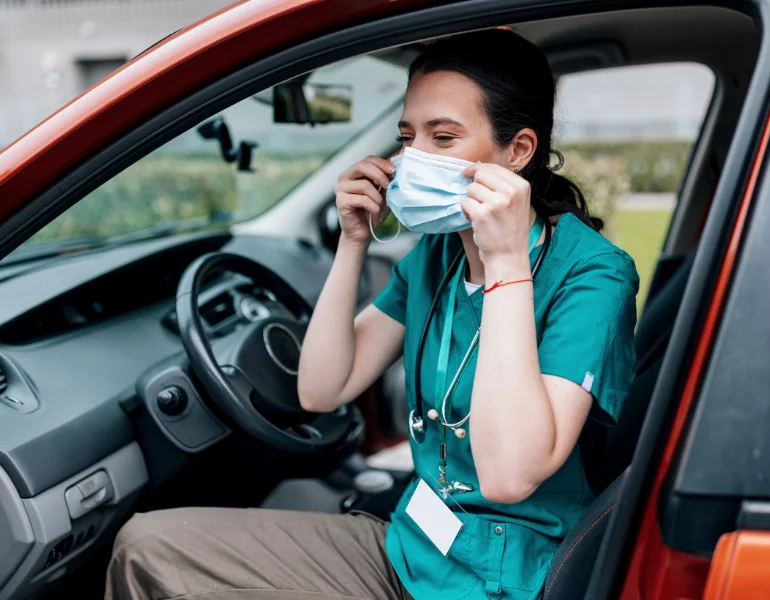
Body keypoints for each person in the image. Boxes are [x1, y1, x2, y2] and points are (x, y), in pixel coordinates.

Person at [105, 29, 638, 600]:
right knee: (147, 546)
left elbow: (509, 477)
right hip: (411, 547)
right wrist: (353, 241)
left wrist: (506, 260)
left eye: (444, 137)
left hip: (504, 579)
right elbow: (322, 388)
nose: (413, 159)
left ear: (519, 151)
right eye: (408, 137)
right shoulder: (440, 249)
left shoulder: (592, 275)